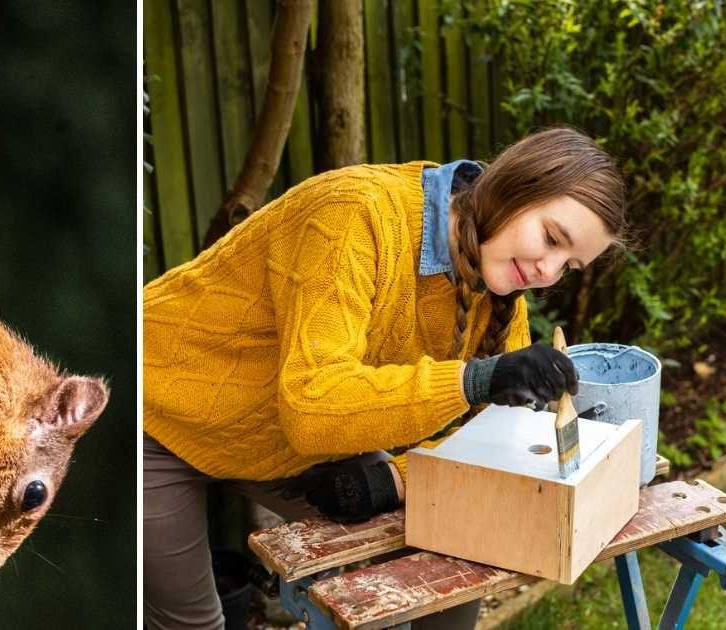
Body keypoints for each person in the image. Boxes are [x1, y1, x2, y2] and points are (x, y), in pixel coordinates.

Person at [143, 126, 628, 629]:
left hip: (278, 435)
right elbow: (312, 407)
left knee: (450, 561)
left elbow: (486, 448)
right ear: (514, 186)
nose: (548, 270)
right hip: (158, 411)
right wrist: (472, 381)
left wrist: (394, 478)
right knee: (194, 624)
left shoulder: (501, 287)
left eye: (568, 265)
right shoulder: (355, 214)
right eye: (551, 238)